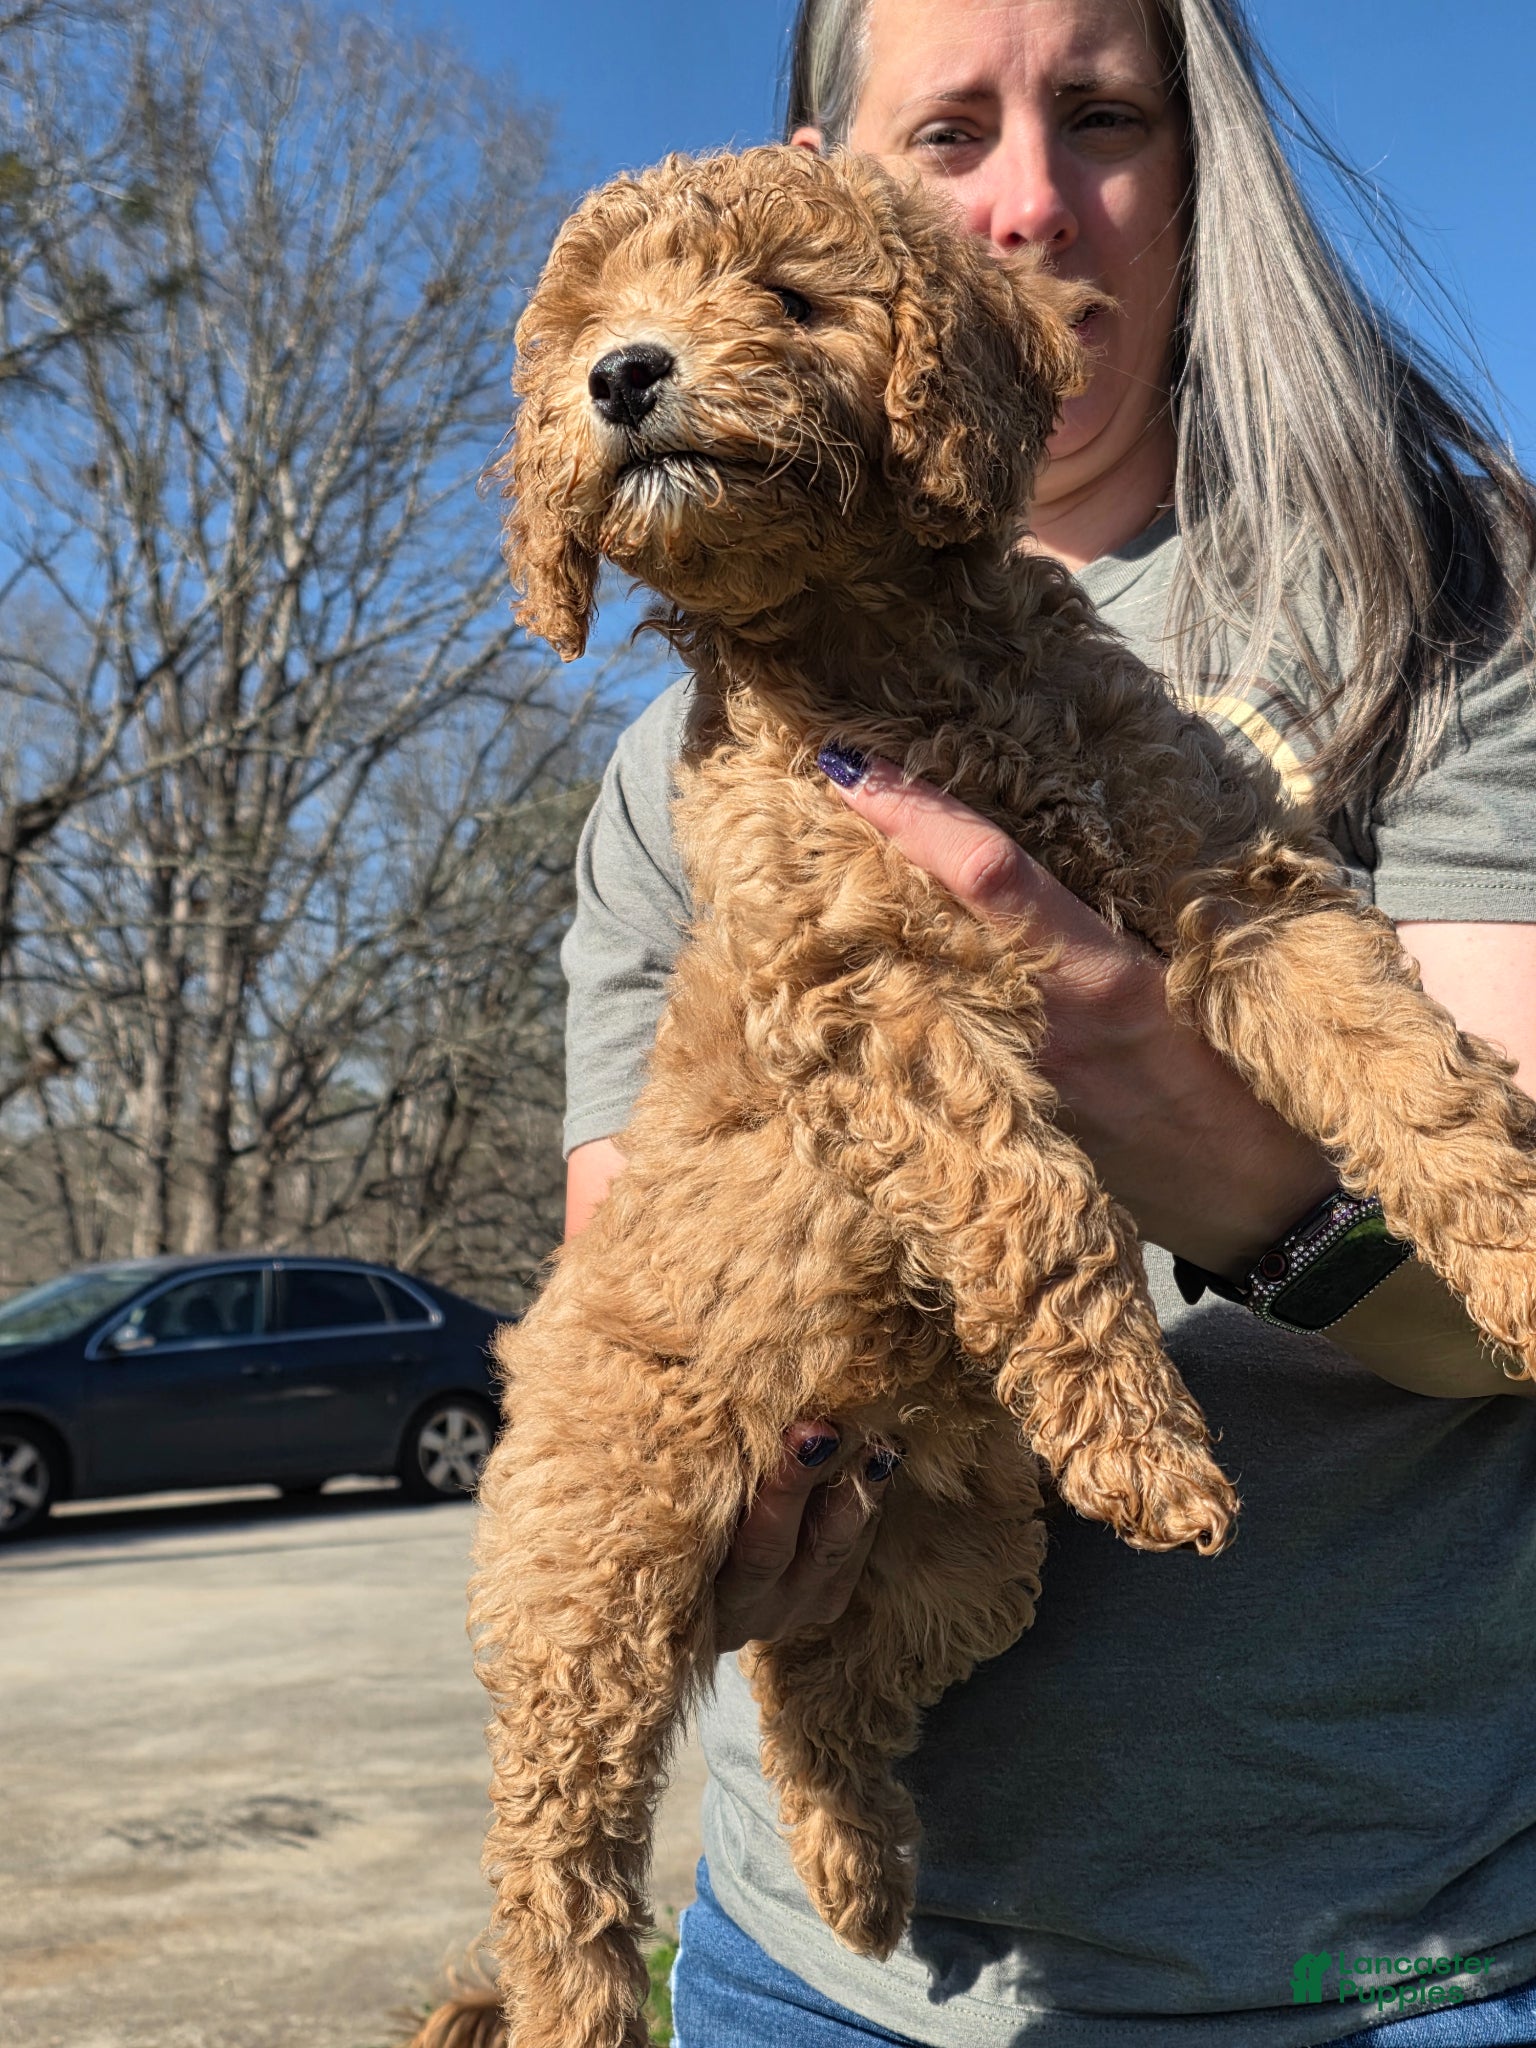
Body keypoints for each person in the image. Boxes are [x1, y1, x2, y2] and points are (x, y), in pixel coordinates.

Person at [558, 2, 1536, 2042]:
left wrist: (1191, 1126)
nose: (1024, 202)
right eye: (946, 133)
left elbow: (1505, 1291)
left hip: (1379, 1944)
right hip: (808, 1978)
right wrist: (732, 1534)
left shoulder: (1449, 598)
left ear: (1205, 172)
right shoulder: (680, 759)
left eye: (1101, 114)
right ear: (836, 185)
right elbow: (639, 1276)